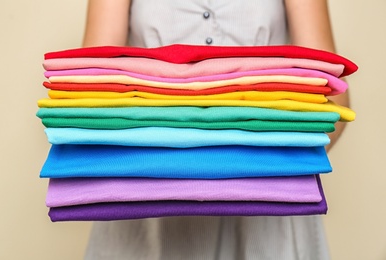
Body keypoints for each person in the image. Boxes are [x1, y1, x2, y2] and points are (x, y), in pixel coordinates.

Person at [81, 1, 349, 259]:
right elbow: (92, 92)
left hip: (269, 213)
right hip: (144, 211)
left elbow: (333, 101)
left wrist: (263, 162)